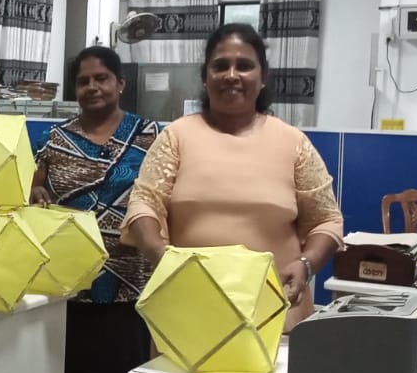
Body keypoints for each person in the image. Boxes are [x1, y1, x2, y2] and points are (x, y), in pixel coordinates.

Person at [122, 23, 343, 332]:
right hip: (188, 315)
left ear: (263, 77)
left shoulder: (293, 143)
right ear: (205, 76)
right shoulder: (176, 137)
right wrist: (160, 255)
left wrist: (305, 266)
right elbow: (144, 204)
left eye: (245, 66)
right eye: (220, 66)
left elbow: (327, 221)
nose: (231, 75)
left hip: (274, 317)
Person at [32, 46, 160, 373]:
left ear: (120, 83)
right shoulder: (56, 139)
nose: (93, 87)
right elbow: (37, 185)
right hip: (74, 277)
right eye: (84, 80)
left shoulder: (150, 136)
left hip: (131, 276)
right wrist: (40, 193)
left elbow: (165, 193)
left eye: (102, 78)